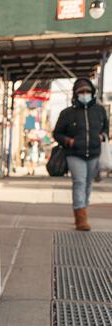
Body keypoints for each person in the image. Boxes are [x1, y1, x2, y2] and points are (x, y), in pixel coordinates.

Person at [53, 78, 110, 231]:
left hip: (94, 153)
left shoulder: (99, 110)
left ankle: (82, 208)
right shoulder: (67, 113)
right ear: (75, 94)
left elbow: (106, 128)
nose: (84, 94)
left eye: (87, 92)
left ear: (92, 93)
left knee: (88, 184)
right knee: (79, 182)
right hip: (74, 154)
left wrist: (102, 135)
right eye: (81, 92)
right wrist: (68, 141)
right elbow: (56, 133)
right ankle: (81, 218)